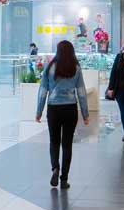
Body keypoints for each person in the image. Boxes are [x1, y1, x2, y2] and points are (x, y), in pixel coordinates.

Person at [36, 39, 89, 189]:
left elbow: (43, 91)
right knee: (67, 144)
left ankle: (55, 168)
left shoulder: (50, 67)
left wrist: (39, 111)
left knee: (54, 142)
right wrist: (85, 114)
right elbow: (82, 92)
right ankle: (64, 179)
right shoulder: (76, 68)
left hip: (54, 109)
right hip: (70, 108)